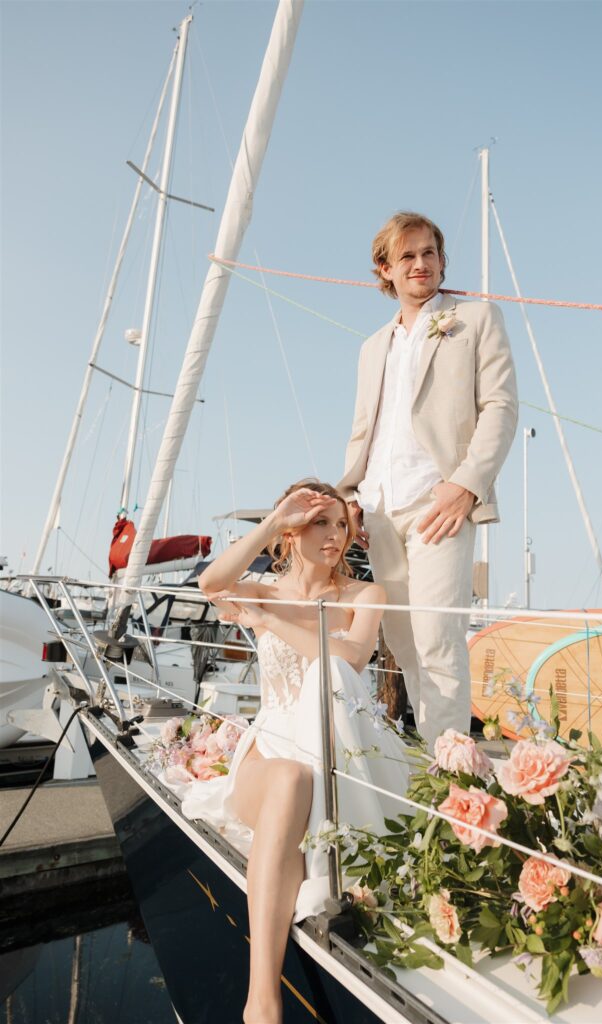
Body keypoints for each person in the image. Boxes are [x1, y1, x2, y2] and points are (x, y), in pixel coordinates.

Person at [194, 480, 409, 1024]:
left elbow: (350, 661)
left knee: (306, 770)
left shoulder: (365, 596)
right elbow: (211, 582)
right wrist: (270, 524)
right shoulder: (264, 586)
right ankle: (262, 998)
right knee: (289, 779)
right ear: (292, 532)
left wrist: (266, 622)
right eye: (320, 523)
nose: (336, 536)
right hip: (269, 750)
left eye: (341, 524)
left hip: (341, 743)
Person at [338, 211, 518, 752]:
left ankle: (453, 781)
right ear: (385, 269)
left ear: (441, 262)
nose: (420, 264)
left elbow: (501, 408)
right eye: (408, 256)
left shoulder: (477, 318)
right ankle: (435, 758)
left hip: (442, 503)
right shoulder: (372, 346)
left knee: (439, 640)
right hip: (379, 509)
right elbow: (363, 430)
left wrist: (465, 484)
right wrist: (350, 496)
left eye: (429, 253)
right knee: (404, 644)